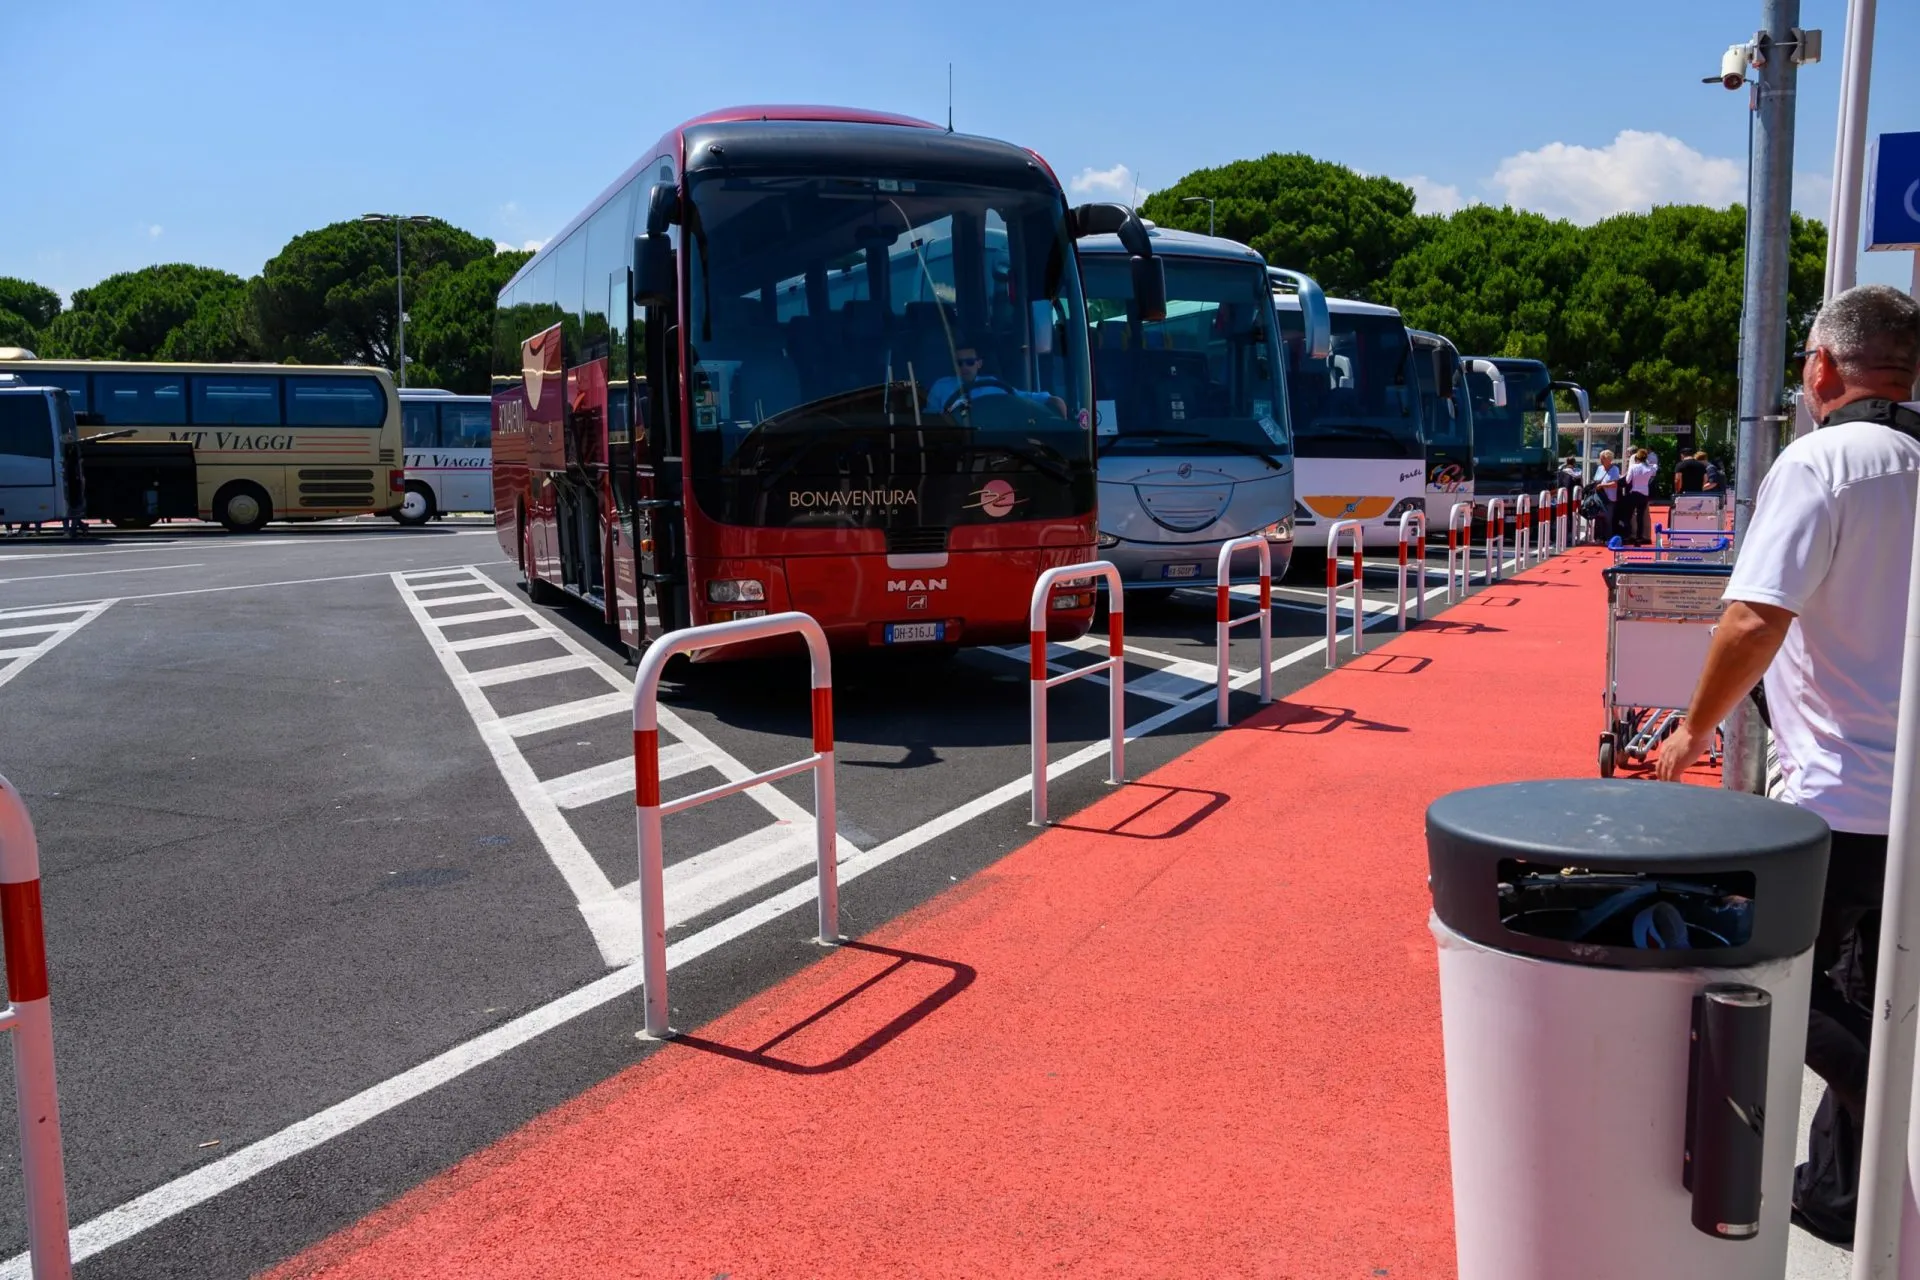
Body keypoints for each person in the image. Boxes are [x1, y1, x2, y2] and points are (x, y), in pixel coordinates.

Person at [1657, 283, 1920, 1247]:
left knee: (1768, 973)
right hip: (1912, 804)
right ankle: (1841, 1194)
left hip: (1834, 795)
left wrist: (1691, 731)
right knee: (1865, 984)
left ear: (1821, 369)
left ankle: (1888, 1110)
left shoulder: (1823, 463)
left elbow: (1755, 616)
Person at [923, 343, 1066, 419]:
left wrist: (1051, 399)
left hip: (995, 443)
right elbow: (931, 420)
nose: (964, 367)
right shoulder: (941, 386)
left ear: (979, 363)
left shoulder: (994, 384)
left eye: (969, 362)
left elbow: (1022, 398)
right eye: (959, 363)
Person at [1622, 447, 1654, 545]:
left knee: (1629, 515)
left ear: (1637, 457)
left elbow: (1627, 480)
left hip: (1634, 492)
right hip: (1644, 493)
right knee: (1640, 516)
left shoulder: (1633, 467)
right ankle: (1639, 537)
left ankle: (1629, 535)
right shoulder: (1650, 468)